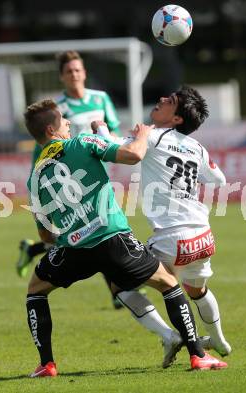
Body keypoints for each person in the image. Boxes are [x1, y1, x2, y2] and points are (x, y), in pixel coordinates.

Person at [23, 99, 227, 377]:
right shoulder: (82, 143)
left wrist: (72, 231)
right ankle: (198, 355)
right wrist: (142, 135)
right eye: (63, 120)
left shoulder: (34, 177)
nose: (69, 122)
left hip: (75, 248)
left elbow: (45, 233)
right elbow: (132, 154)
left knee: (36, 290)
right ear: (51, 129)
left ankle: (47, 364)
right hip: (113, 238)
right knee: (168, 284)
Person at [92, 86, 232, 357]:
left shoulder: (154, 137)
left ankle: (169, 336)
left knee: (118, 282)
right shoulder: (197, 148)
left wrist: (99, 128)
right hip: (203, 235)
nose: (162, 99)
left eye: (170, 101)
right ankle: (219, 341)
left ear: (177, 118)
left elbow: (116, 148)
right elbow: (220, 180)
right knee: (197, 289)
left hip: (171, 237)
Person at [16, 51, 125, 308]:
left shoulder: (101, 98)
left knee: (92, 229)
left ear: (84, 72)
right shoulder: (57, 109)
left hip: (95, 169)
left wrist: (110, 143)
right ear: (62, 77)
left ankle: (32, 250)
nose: (74, 75)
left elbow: (114, 129)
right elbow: (42, 147)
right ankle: (119, 290)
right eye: (69, 71)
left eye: (78, 70)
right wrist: (40, 181)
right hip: (68, 179)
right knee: (93, 229)